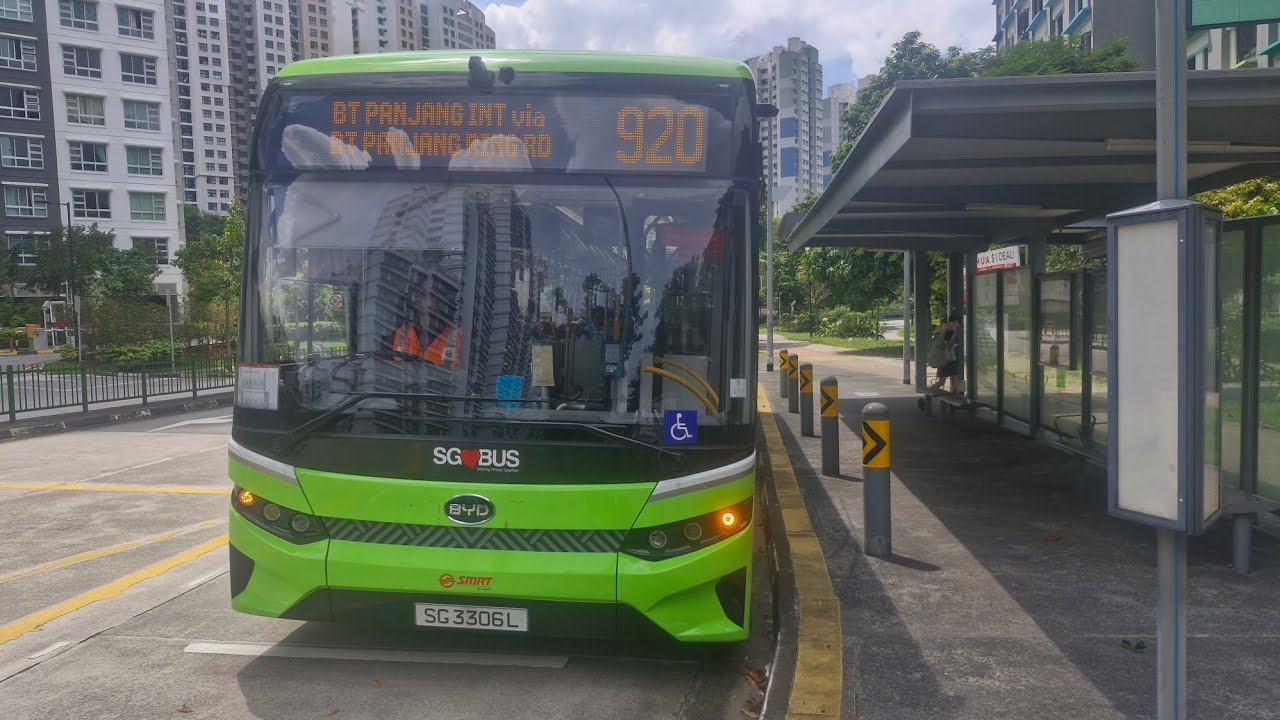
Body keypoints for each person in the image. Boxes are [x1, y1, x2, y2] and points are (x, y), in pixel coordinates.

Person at [390, 275, 461, 367]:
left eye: (433, 295)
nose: (428, 301)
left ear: (442, 299)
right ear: (416, 299)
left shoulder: (456, 336)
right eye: (423, 294)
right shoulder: (402, 333)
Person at [928, 312, 964, 395]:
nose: (958, 325)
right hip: (948, 359)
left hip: (942, 359)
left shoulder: (942, 329)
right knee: (954, 380)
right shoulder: (950, 331)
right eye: (958, 323)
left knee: (942, 382)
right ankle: (955, 399)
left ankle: (928, 395)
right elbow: (948, 345)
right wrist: (954, 341)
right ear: (955, 322)